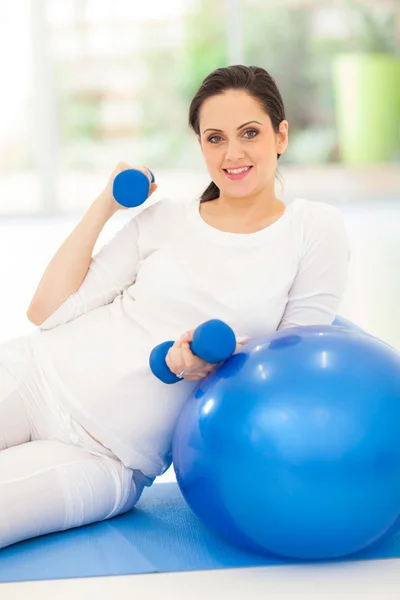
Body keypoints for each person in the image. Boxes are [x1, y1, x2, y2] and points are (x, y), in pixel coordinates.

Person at [0, 64, 350, 550]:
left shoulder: (313, 228)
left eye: (250, 132)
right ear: (201, 146)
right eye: (214, 138)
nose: (233, 153)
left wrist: (199, 366)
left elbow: (291, 365)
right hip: (34, 373)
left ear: (281, 135)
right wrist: (105, 204)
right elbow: (47, 311)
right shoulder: (164, 220)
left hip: (108, 458)